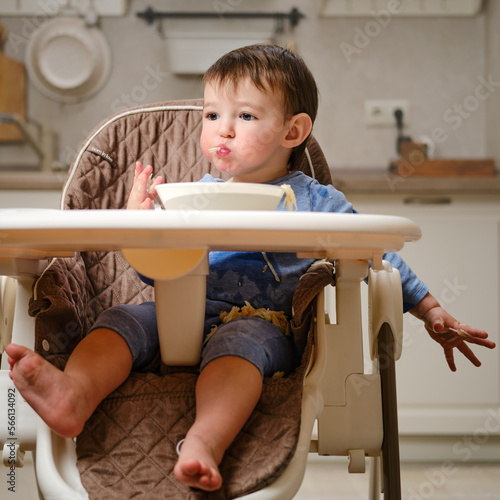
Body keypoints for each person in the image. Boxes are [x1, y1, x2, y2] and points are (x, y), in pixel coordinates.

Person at [6, 44, 495, 492]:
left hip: (261, 324)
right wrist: (141, 229)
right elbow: (155, 277)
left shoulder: (315, 200)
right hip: (177, 311)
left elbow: (377, 255)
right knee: (119, 322)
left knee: (236, 350)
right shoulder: (187, 195)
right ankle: (73, 396)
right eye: (212, 114)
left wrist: (430, 310)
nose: (223, 128)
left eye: (244, 115)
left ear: (293, 131)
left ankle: (203, 443)